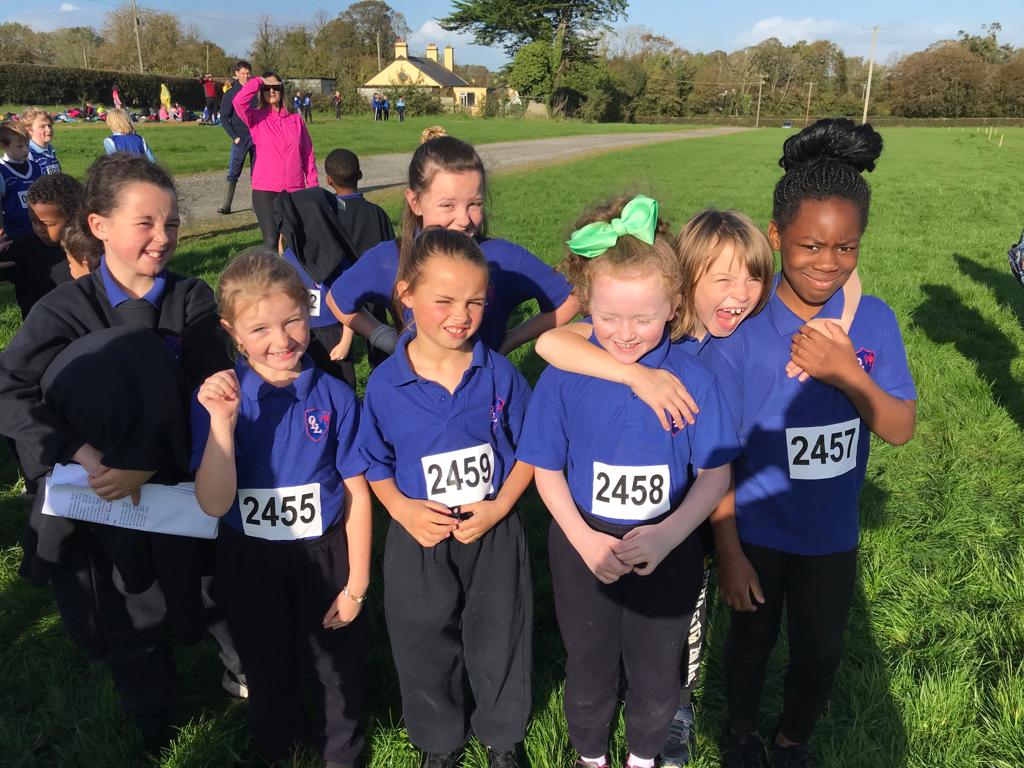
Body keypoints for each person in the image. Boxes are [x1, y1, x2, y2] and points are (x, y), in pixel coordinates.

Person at [0, 153, 242, 753]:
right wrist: (80, 453)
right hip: (102, 497)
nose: (163, 237)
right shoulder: (63, 308)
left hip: (181, 486)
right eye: (145, 223)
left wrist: (151, 458)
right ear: (99, 225)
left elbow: (210, 385)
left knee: (213, 592)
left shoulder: (192, 298)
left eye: (172, 223)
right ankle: (153, 719)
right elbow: (10, 390)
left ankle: (244, 672)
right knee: (130, 609)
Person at [702, 118, 917, 768]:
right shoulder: (740, 327)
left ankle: (792, 738)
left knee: (821, 650)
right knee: (750, 641)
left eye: (846, 247)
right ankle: (741, 732)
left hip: (830, 531)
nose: (828, 263)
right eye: (810, 246)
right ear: (775, 237)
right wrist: (729, 552)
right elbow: (717, 455)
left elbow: (899, 428)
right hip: (757, 529)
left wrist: (848, 373)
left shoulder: (872, 320)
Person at [516, 194, 739, 768]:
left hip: (668, 548)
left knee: (657, 673)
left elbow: (715, 473)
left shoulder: (692, 378)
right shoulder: (565, 375)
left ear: (674, 305)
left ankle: (643, 757)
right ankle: (590, 757)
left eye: (643, 318)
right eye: (609, 317)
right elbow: (546, 469)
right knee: (589, 666)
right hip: (583, 546)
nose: (624, 334)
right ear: (587, 303)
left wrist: (668, 535)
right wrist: (584, 540)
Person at [358, 227, 534, 768]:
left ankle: (502, 736)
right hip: (420, 535)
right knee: (422, 639)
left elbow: (533, 450)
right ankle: (439, 740)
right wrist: (401, 509)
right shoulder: (385, 385)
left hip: (492, 529)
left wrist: (501, 506)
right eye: (445, 300)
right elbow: (373, 462)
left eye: (475, 302)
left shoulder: (499, 374)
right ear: (407, 295)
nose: (461, 316)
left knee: (500, 633)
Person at [192, 248, 371, 768]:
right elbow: (214, 502)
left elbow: (358, 492)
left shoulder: (335, 397)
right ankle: (279, 747)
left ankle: (341, 752)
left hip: (323, 553)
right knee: (265, 660)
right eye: (260, 329)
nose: (282, 340)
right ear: (232, 333)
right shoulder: (217, 401)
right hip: (249, 558)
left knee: (335, 666)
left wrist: (357, 584)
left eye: (292, 321)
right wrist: (222, 424)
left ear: (307, 313)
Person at [325, 135, 579, 360]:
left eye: (474, 204)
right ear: (415, 202)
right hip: (413, 392)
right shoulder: (391, 258)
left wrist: (510, 340)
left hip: (486, 391)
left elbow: (570, 298)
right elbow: (336, 300)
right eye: (447, 205)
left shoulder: (504, 258)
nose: (464, 219)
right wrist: (386, 338)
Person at [276, 147, 395, 383]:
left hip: (338, 316)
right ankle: (381, 373)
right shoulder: (376, 213)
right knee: (377, 342)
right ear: (359, 175)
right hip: (374, 293)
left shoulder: (327, 229)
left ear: (329, 180)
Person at [233, 71, 318, 250]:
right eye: (267, 88)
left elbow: (308, 154)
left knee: (296, 242)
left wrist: (313, 185)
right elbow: (238, 102)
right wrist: (258, 81)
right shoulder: (256, 118)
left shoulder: (296, 121)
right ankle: (271, 269)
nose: (271, 91)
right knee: (271, 241)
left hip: (294, 188)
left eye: (276, 87)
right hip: (266, 189)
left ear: (282, 90)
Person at [1, 172, 82, 319]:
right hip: (38, 329)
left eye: (46, 224)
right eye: (33, 221)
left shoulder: (87, 250)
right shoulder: (22, 249)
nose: (38, 228)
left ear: (73, 217)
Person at [218, 60, 256, 215]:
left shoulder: (256, 92)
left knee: (257, 172)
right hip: (240, 139)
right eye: (243, 73)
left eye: (248, 73)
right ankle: (227, 205)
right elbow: (224, 118)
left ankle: (256, 204)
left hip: (256, 137)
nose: (246, 76)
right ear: (236, 74)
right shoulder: (230, 94)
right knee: (234, 172)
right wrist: (235, 137)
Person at [0, 123, 43, 240]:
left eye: (27, 145)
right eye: (19, 146)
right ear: (4, 146)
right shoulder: (2, 171)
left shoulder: (36, 168)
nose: (26, 150)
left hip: (38, 233)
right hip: (13, 235)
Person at [21, 108, 61, 175]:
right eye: (42, 126)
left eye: (49, 125)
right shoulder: (27, 154)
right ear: (29, 130)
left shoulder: (50, 150)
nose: (48, 130)